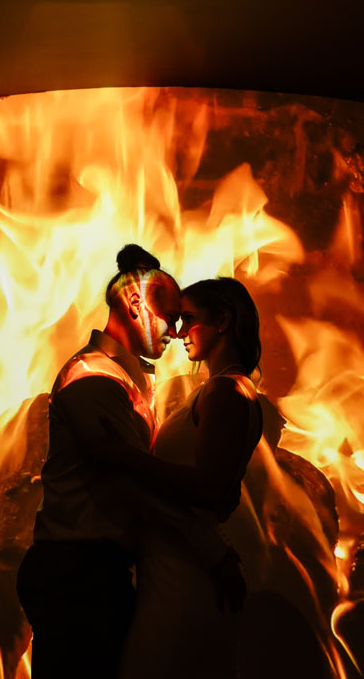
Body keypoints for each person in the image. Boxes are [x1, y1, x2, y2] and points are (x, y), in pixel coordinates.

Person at [15, 245, 241, 679]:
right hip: (75, 579)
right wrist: (211, 550)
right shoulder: (93, 378)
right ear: (135, 303)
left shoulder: (125, 380)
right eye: (171, 316)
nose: (177, 331)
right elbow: (131, 482)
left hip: (98, 575)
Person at [91, 276, 266, 679]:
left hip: (185, 575)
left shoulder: (227, 392)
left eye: (190, 319)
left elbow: (210, 487)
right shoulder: (223, 390)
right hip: (173, 566)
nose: (179, 331)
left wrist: (125, 457)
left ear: (223, 320)